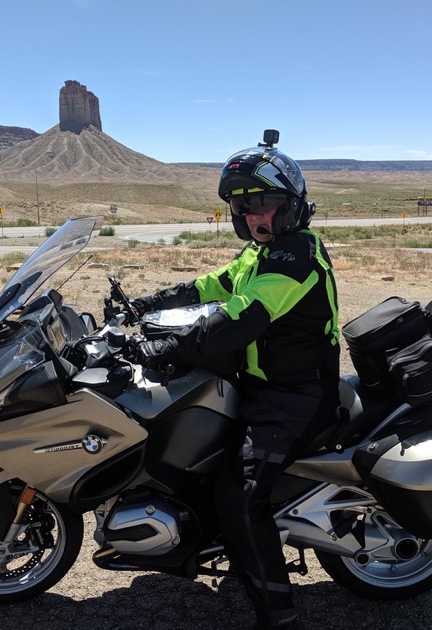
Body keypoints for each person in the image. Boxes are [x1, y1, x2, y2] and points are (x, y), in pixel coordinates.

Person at [130, 132, 341, 630]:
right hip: (260, 386)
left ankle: (277, 610)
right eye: (245, 208)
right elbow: (211, 286)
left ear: (290, 204)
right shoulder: (260, 254)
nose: (254, 217)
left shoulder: (295, 257)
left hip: (295, 398)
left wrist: (166, 345)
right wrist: (148, 304)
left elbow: (239, 321)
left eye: (265, 204)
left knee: (242, 494)